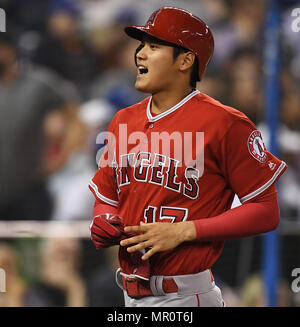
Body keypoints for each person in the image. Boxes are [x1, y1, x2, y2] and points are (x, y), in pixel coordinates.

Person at [88, 7, 287, 307]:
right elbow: (107, 196)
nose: (140, 54)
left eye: (154, 46)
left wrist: (186, 230)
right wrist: (102, 217)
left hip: (185, 294)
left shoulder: (224, 123)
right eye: (141, 45)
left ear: (185, 60)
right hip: (130, 293)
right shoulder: (122, 120)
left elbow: (266, 210)